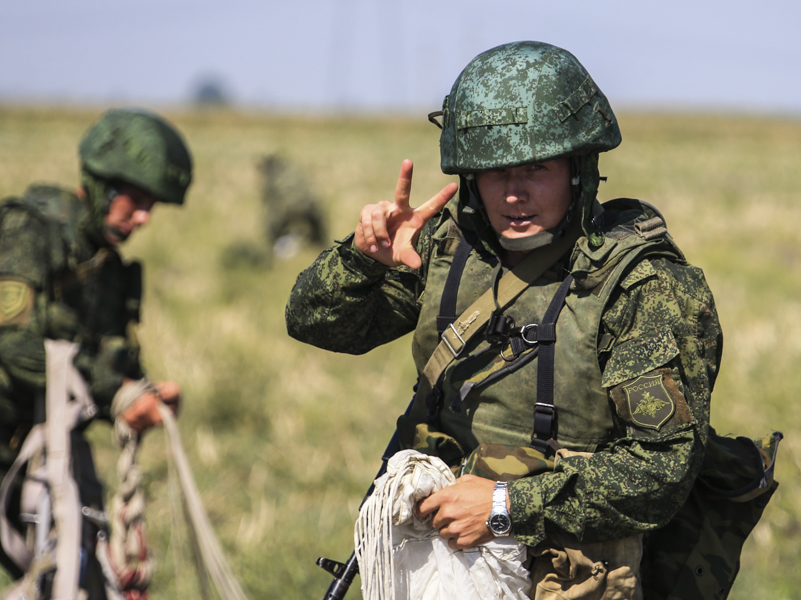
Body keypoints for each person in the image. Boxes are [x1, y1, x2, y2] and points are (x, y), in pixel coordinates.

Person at [286, 41, 721, 597]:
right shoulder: (448, 251)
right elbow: (317, 325)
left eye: (536, 169)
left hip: (568, 570)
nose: (514, 194)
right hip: (431, 553)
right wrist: (360, 261)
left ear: (578, 170)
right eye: (495, 172)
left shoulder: (642, 284)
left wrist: (502, 507)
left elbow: (662, 470)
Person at [0, 107, 193, 599]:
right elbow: (17, 345)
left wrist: (142, 394)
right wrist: (117, 394)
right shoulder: (26, 232)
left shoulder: (107, 269)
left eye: (153, 206)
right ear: (102, 184)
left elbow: (109, 364)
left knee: (81, 582)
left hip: (46, 452)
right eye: (137, 200)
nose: (143, 217)